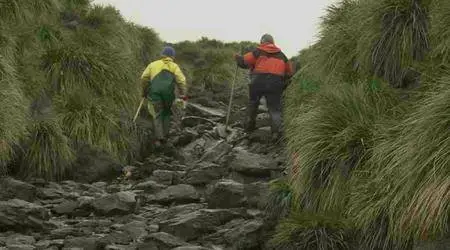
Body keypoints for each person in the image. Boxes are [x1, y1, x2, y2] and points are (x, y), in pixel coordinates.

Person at [234, 34, 293, 141]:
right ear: (273, 42)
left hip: (258, 81)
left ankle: (249, 129)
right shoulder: (282, 56)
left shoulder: (257, 52)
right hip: (275, 83)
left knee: (253, 104)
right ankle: (276, 134)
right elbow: (289, 73)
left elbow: (244, 62)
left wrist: (238, 58)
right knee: (274, 109)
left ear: (262, 42)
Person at [140, 46, 188, 148]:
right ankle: (165, 136)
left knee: (157, 114)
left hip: (155, 93)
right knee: (166, 112)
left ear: (162, 55)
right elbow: (182, 81)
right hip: (169, 95)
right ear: (173, 56)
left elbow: (144, 78)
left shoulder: (153, 65)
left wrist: (144, 91)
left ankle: (159, 138)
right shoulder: (174, 66)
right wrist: (183, 94)